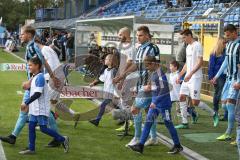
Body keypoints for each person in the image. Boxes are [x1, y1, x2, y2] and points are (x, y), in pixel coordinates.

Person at [0, 25, 59, 146]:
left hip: (34, 85)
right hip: (34, 84)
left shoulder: (33, 46)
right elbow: (43, 62)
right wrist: (52, 76)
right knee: (29, 110)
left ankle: (14, 136)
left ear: (29, 35)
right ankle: (13, 136)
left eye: (22, 34)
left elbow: (40, 65)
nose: (20, 36)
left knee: (30, 110)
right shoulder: (31, 46)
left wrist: (30, 81)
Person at [113, 26, 160, 147]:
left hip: (148, 85)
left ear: (147, 36)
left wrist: (150, 83)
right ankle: (154, 138)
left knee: (134, 109)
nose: (138, 38)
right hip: (140, 84)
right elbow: (135, 65)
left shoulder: (152, 48)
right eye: (137, 35)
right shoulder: (139, 48)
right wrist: (122, 76)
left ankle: (137, 138)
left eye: (141, 35)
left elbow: (156, 66)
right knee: (148, 111)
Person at [129, 56, 183, 154]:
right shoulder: (154, 73)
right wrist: (147, 88)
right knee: (148, 122)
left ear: (153, 63)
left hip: (163, 105)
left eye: (148, 65)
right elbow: (156, 87)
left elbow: (164, 90)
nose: (147, 68)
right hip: (155, 104)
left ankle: (178, 145)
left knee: (168, 123)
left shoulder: (160, 73)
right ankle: (140, 146)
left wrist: (155, 102)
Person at [19, 56, 69, 154]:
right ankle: (31, 149)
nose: (28, 67)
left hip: (41, 108)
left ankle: (63, 139)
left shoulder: (40, 77)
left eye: (30, 65)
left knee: (43, 128)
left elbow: (37, 94)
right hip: (35, 108)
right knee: (31, 127)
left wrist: (26, 103)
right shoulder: (34, 77)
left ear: (37, 66)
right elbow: (30, 89)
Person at [175, 29, 218, 129]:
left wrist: (190, 74)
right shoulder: (188, 47)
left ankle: (213, 114)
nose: (183, 40)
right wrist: (180, 74)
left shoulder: (197, 45)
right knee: (181, 97)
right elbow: (187, 63)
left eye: (184, 37)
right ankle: (184, 122)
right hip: (188, 77)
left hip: (195, 78)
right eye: (182, 38)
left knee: (195, 102)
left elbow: (200, 63)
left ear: (190, 35)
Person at [212, 24, 240, 141]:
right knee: (224, 105)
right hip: (228, 79)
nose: (227, 37)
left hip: (236, 79)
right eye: (226, 35)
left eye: (229, 35)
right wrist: (216, 76)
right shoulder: (228, 45)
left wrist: (238, 81)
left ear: (235, 32)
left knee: (230, 105)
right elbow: (226, 63)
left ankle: (229, 133)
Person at [112, 27, 137, 131]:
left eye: (120, 35)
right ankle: (128, 120)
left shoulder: (132, 47)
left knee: (125, 101)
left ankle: (132, 120)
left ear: (125, 34)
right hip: (124, 76)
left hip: (130, 77)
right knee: (120, 100)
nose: (119, 37)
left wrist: (121, 77)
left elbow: (129, 63)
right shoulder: (123, 46)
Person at [88, 54, 119, 126]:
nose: (105, 60)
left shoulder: (114, 71)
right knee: (117, 107)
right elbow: (101, 79)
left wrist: (117, 94)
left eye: (106, 59)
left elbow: (118, 82)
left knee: (102, 105)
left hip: (112, 93)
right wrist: (93, 83)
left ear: (111, 61)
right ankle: (124, 119)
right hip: (107, 92)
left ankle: (97, 120)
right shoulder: (106, 70)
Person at [208, 37, 227, 120]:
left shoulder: (226, 52)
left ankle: (226, 114)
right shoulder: (214, 53)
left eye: (226, 43)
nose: (226, 44)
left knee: (225, 94)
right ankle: (215, 111)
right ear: (220, 43)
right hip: (218, 76)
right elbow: (211, 66)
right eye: (224, 43)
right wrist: (211, 77)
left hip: (226, 76)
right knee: (218, 94)